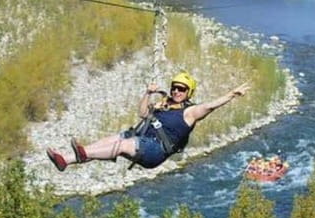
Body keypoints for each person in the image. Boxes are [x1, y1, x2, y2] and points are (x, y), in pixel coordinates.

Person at [47, 72, 250, 170]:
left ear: (189, 93)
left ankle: (84, 153)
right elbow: (142, 114)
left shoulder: (190, 112)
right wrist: (147, 93)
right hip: (142, 138)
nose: (177, 91)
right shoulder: (163, 104)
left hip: (156, 150)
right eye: (175, 87)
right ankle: (65, 159)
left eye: (182, 89)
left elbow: (211, 106)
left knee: (123, 144)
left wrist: (232, 94)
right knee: (111, 139)